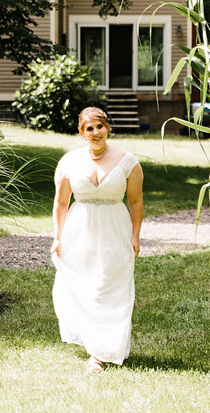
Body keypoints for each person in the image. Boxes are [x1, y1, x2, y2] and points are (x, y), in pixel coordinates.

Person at [50, 106, 144, 373]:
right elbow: (60, 203)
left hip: (115, 229)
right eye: (89, 128)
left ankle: (104, 348)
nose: (95, 133)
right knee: (87, 287)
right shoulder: (68, 162)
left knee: (109, 287)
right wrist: (57, 237)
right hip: (80, 230)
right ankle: (96, 353)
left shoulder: (128, 162)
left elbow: (136, 202)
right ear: (82, 133)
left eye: (100, 126)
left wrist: (135, 236)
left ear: (108, 129)